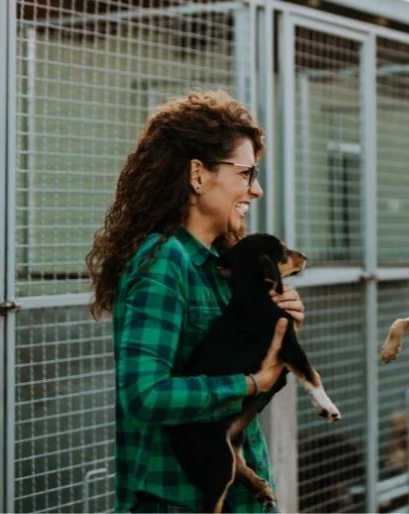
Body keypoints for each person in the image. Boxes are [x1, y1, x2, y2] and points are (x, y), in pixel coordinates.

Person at [86, 90, 305, 513]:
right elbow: (144, 395)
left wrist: (276, 332)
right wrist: (249, 383)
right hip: (175, 501)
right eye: (246, 173)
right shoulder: (163, 262)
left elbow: (245, 379)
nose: (255, 190)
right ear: (198, 175)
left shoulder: (219, 266)